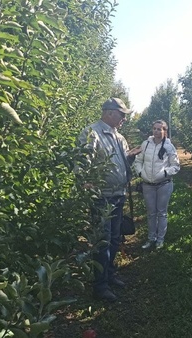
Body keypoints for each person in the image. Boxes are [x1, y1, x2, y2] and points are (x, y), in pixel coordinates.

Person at [78, 97, 142, 302]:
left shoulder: (119, 137)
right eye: (122, 114)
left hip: (118, 195)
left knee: (115, 238)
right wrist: (85, 183)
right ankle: (100, 286)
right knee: (102, 242)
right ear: (109, 112)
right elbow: (82, 161)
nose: (124, 119)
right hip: (101, 197)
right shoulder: (92, 133)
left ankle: (110, 274)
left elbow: (122, 162)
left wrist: (130, 157)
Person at [134, 120, 180, 250]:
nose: (156, 131)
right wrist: (140, 173)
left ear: (165, 131)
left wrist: (164, 173)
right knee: (151, 213)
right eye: (154, 128)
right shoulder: (146, 145)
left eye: (160, 129)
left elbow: (175, 166)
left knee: (162, 212)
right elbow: (138, 161)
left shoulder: (169, 147)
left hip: (163, 184)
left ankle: (160, 239)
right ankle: (151, 238)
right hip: (148, 184)